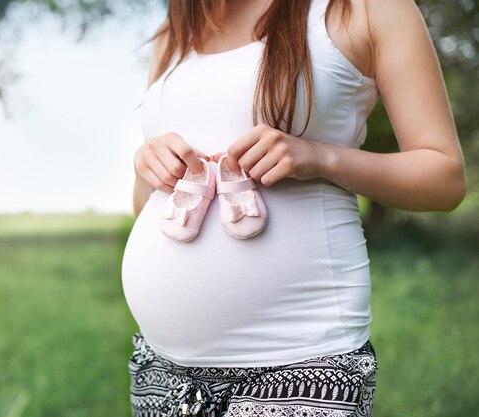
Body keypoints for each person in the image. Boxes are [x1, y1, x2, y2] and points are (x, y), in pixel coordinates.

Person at [120, 0, 467, 416]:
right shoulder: (175, 30)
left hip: (300, 363)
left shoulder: (364, 9)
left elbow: (444, 179)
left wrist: (320, 157)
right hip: (162, 370)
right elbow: (145, 206)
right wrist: (147, 164)